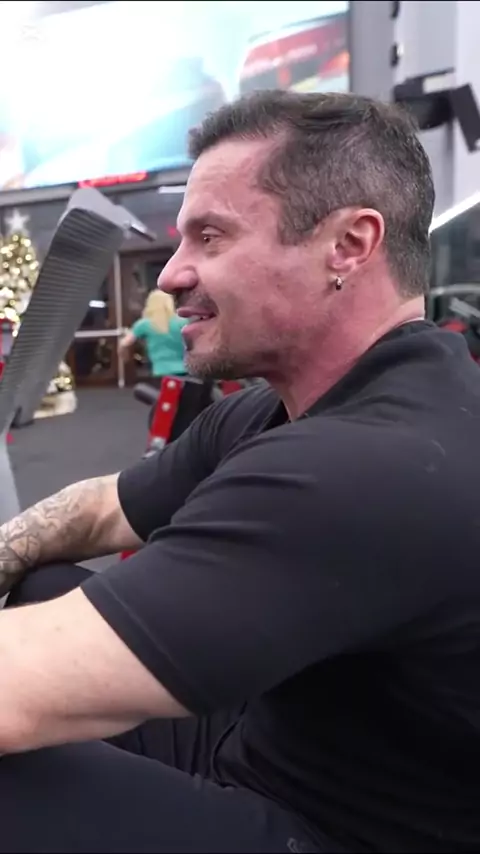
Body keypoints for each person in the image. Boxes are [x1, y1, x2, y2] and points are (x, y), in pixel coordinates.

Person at [0, 90, 478, 854]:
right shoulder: (282, 407)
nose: (170, 275)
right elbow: (101, 509)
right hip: (273, 740)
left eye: (210, 237)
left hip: (331, 830)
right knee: (42, 584)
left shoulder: (367, 465)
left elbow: (11, 691)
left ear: (349, 245)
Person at [119, 288, 187, 381]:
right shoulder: (182, 322)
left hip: (160, 371)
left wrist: (125, 358)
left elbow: (125, 343)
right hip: (184, 369)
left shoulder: (144, 324)